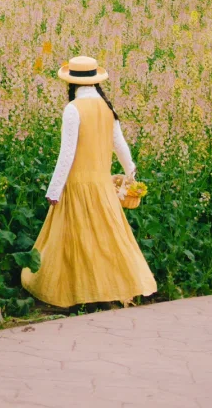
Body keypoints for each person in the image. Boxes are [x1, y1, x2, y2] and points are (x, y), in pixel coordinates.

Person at [20, 54, 156, 309]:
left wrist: (54, 189)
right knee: (108, 241)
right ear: (95, 81)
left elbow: (67, 153)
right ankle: (105, 294)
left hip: (77, 187)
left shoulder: (73, 109)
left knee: (73, 241)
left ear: (71, 83)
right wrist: (131, 176)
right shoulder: (106, 108)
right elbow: (120, 145)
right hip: (103, 188)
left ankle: (77, 295)